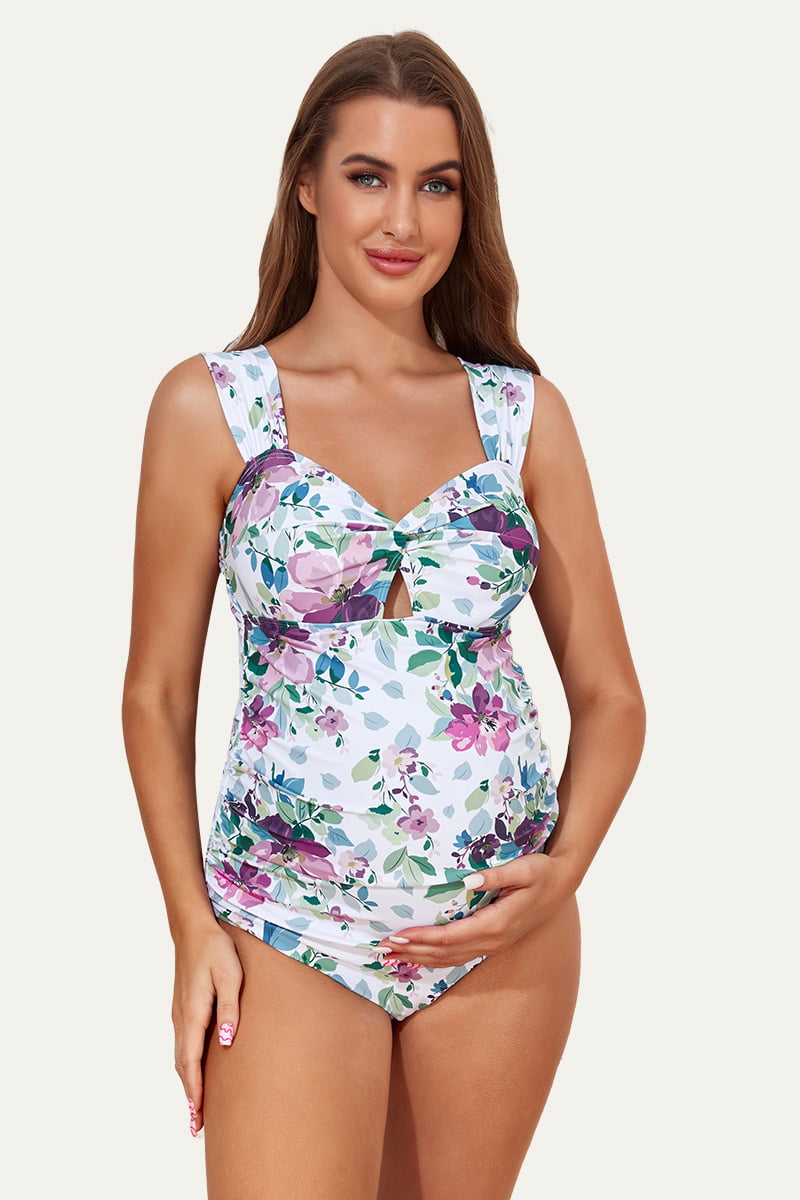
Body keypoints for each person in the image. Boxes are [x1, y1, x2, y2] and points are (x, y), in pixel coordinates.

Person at [122, 29, 646, 1200]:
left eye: (436, 185)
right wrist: (190, 926)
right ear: (307, 182)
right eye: (368, 176)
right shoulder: (213, 407)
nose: (401, 219)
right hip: (285, 922)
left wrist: (561, 872)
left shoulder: (521, 417)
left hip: (496, 940)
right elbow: (153, 694)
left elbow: (612, 696)